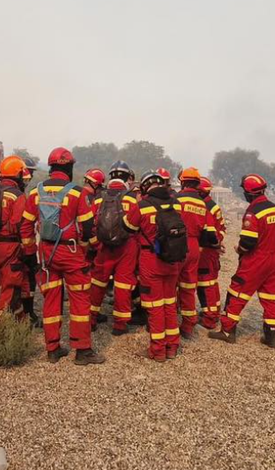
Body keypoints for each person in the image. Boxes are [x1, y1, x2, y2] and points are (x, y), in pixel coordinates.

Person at [19, 147, 105, 365]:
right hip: (72, 252)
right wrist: (85, 247)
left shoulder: (36, 192)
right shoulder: (77, 193)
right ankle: (83, 350)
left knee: (51, 298)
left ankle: (52, 349)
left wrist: (30, 252)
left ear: (51, 167)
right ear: (69, 167)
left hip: (47, 253)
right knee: (79, 299)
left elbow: (26, 225)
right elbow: (87, 227)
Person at [210, 174, 275, 348]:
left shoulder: (253, 213)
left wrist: (240, 249)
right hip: (274, 259)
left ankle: (227, 331)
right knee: (270, 297)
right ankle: (271, 335)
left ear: (248, 193)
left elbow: (248, 242)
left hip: (256, 260)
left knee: (236, 292)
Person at [123, 170, 186, 362]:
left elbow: (128, 227)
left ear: (144, 187)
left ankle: (157, 351)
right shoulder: (177, 204)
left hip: (151, 261)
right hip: (173, 260)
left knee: (154, 306)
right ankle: (172, 347)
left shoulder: (142, 206)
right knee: (170, 304)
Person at [0, 155, 39, 324]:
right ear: (18, 175)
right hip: (13, 247)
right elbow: (23, 226)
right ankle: (1, 329)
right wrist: (30, 253)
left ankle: (21, 321)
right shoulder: (18, 196)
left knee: (17, 284)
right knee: (11, 287)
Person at [88, 161, 139, 334]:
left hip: (103, 247)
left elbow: (91, 224)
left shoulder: (99, 197)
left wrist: (96, 244)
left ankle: (91, 319)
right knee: (124, 284)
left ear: (110, 176)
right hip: (127, 246)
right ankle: (119, 325)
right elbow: (136, 225)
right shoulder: (132, 198)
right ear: (127, 177)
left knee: (97, 282)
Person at [173, 167, 219, 338]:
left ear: (182, 182)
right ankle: (187, 327)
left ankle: (169, 323)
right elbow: (210, 234)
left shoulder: (175, 199)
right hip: (194, 248)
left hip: (176, 245)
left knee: (171, 285)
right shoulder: (202, 204)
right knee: (188, 287)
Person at [196, 176, 226, 329]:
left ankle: (209, 318)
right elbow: (222, 230)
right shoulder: (213, 206)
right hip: (211, 250)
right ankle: (213, 313)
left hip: (205, 252)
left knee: (205, 284)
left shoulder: (204, 207)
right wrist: (218, 244)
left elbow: (208, 232)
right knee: (211, 283)